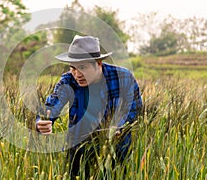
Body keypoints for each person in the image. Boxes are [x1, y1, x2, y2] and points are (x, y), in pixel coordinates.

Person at [36, 35, 142, 179]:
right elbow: (51, 105)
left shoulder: (123, 77)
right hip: (79, 149)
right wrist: (42, 122)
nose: (77, 74)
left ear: (98, 63)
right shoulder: (68, 80)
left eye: (83, 67)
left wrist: (118, 128)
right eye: (73, 68)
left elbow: (135, 110)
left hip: (115, 150)